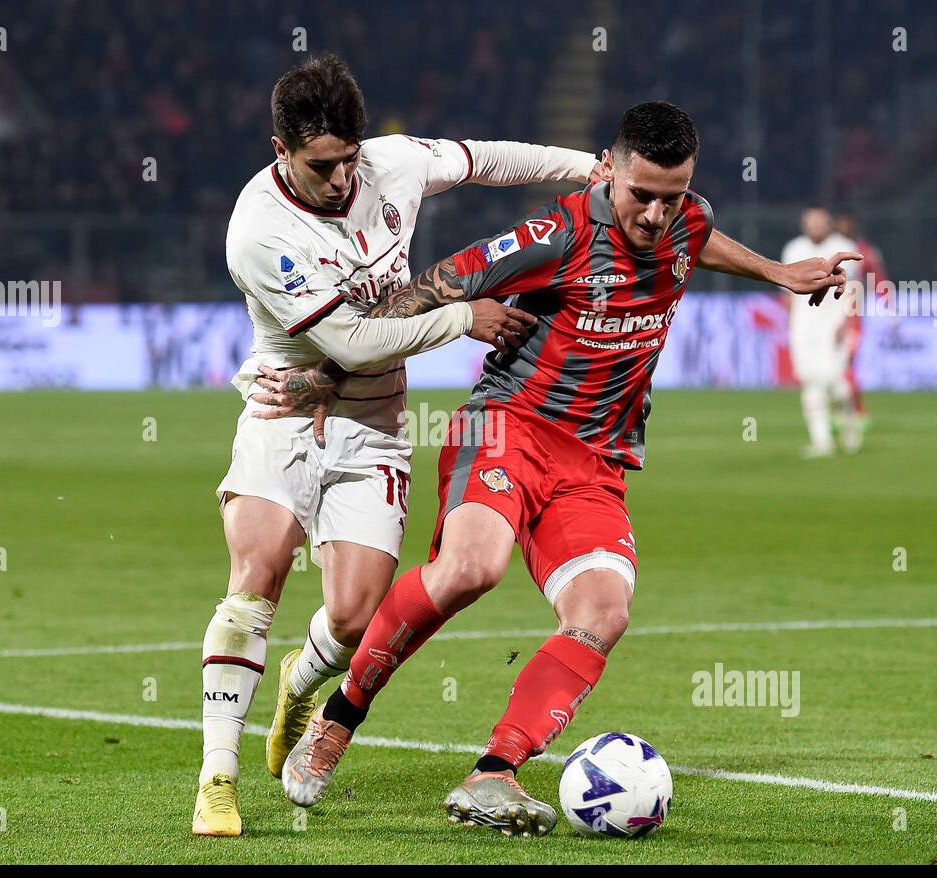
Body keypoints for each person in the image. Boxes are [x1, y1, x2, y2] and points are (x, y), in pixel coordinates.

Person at [268, 101, 859, 835]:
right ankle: (339, 716)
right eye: (641, 194)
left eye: (670, 197)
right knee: (471, 569)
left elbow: (700, 240)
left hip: (596, 460)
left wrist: (779, 272)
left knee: (603, 612)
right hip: (508, 429)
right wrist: (331, 369)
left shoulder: (687, 219)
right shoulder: (558, 235)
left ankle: (494, 772)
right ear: (606, 169)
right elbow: (438, 284)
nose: (654, 214)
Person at [193, 52, 602, 837]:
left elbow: (490, 160)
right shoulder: (259, 230)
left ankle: (301, 678)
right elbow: (348, 343)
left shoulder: (391, 163)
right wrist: (461, 316)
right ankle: (218, 777)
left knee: (353, 617)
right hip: (285, 407)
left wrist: (592, 172)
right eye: (323, 165)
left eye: (350, 158)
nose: (343, 178)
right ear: (280, 151)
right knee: (256, 575)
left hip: (375, 424)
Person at [780, 207, 863, 457]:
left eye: (820, 222)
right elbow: (786, 290)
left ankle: (849, 421)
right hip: (804, 326)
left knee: (832, 381)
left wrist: (847, 322)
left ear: (829, 224)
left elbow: (855, 290)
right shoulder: (793, 249)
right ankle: (822, 442)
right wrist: (792, 322)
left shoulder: (844, 247)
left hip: (832, 323)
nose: (815, 227)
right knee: (810, 382)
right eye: (810, 222)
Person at [835, 211, 889, 429]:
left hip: (852, 320)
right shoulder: (829, 250)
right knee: (832, 367)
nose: (843, 227)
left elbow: (879, 281)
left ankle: (857, 411)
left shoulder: (864, 252)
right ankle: (840, 411)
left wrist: (889, 310)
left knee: (845, 364)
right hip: (825, 318)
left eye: (847, 224)